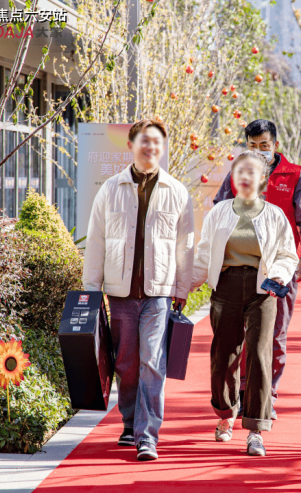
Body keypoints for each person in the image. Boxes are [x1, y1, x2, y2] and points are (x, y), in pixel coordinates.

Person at [82, 117, 195, 461]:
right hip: (121, 293)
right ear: (131, 145)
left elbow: (185, 244)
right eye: (145, 140)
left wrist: (182, 286)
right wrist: (91, 289)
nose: (151, 147)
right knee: (127, 362)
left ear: (163, 148)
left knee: (152, 362)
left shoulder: (177, 192)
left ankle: (148, 436)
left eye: (157, 141)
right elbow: (96, 240)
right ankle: (130, 423)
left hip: (158, 293)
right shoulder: (111, 188)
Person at [193, 150, 299, 456]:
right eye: (239, 171)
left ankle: (256, 429)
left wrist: (278, 275)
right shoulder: (219, 212)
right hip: (225, 286)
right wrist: (184, 287)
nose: (244, 176)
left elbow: (287, 254)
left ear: (263, 178)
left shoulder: (274, 215)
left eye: (251, 171)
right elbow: (203, 253)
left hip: (262, 289)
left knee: (259, 355)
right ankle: (226, 414)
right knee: (224, 355)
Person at [213, 120, 301, 420]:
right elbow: (218, 211)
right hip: (239, 269)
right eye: (252, 145)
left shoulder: (294, 176)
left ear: (275, 145)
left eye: (264, 145)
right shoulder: (237, 173)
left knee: (274, 335)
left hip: (279, 272)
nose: (258, 151)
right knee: (236, 337)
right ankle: (242, 392)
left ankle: (267, 396)